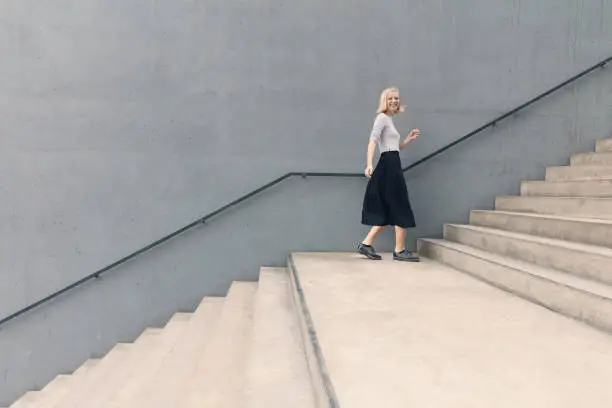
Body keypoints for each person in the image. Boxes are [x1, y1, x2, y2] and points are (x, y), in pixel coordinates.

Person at [357, 87, 420, 262]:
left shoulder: (389, 120)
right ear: (385, 101)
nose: (394, 101)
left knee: (389, 207)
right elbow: (373, 141)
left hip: (392, 162)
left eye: (397, 98)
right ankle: (399, 250)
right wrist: (369, 164)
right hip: (389, 166)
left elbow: (393, 148)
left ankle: (366, 244)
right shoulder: (382, 118)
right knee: (400, 204)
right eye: (391, 98)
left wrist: (407, 139)